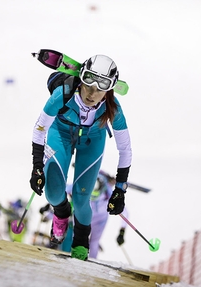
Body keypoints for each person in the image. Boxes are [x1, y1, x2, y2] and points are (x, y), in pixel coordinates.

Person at [29, 54, 132, 260]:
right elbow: (39, 130)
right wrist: (37, 167)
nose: (92, 93)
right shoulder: (63, 94)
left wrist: (120, 190)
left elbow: (126, 150)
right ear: (81, 78)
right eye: (88, 83)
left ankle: (81, 241)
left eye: (100, 88)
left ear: (109, 89)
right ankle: (61, 214)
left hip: (92, 139)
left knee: (82, 196)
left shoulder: (113, 108)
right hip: (61, 133)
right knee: (53, 193)